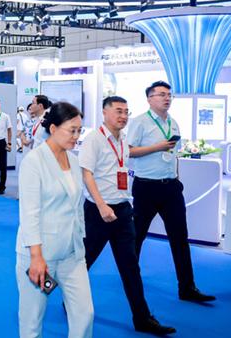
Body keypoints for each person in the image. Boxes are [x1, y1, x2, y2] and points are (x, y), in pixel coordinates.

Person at [79, 96, 176, 335]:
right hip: (98, 211)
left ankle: (142, 318)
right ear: (105, 112)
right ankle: (55, 294)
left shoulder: (123, 139)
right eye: (118, 111)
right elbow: (86, 174)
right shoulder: (94, 139)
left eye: (126, 112)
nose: (123, 116)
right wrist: (102, 205)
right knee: (83, 261)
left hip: (122, 211)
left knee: (130, 266)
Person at [128, 81, 215, 303]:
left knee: (180, 238)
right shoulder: (139, 122)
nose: (167, 98)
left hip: (171, 188)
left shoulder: (173, 123)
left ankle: (187, 288)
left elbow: (173, 155)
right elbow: (128, 151)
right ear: (149, 99)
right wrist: (156, 147)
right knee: (137, 236)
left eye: (169, 95)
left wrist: (176, 177)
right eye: (161, 94)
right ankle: (129, 276)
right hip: (146, 187)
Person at [16, 102, 93, 338]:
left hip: (72, 253)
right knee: (32, 321)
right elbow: (29, 213)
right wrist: (36, 257)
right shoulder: (34, 161)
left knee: (85, 314)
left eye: (79, 130)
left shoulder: (74, 160)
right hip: (41, 254)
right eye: (72, 130)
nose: (76, 136)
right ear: (53, 129)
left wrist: (80, 241)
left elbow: (77, 205)